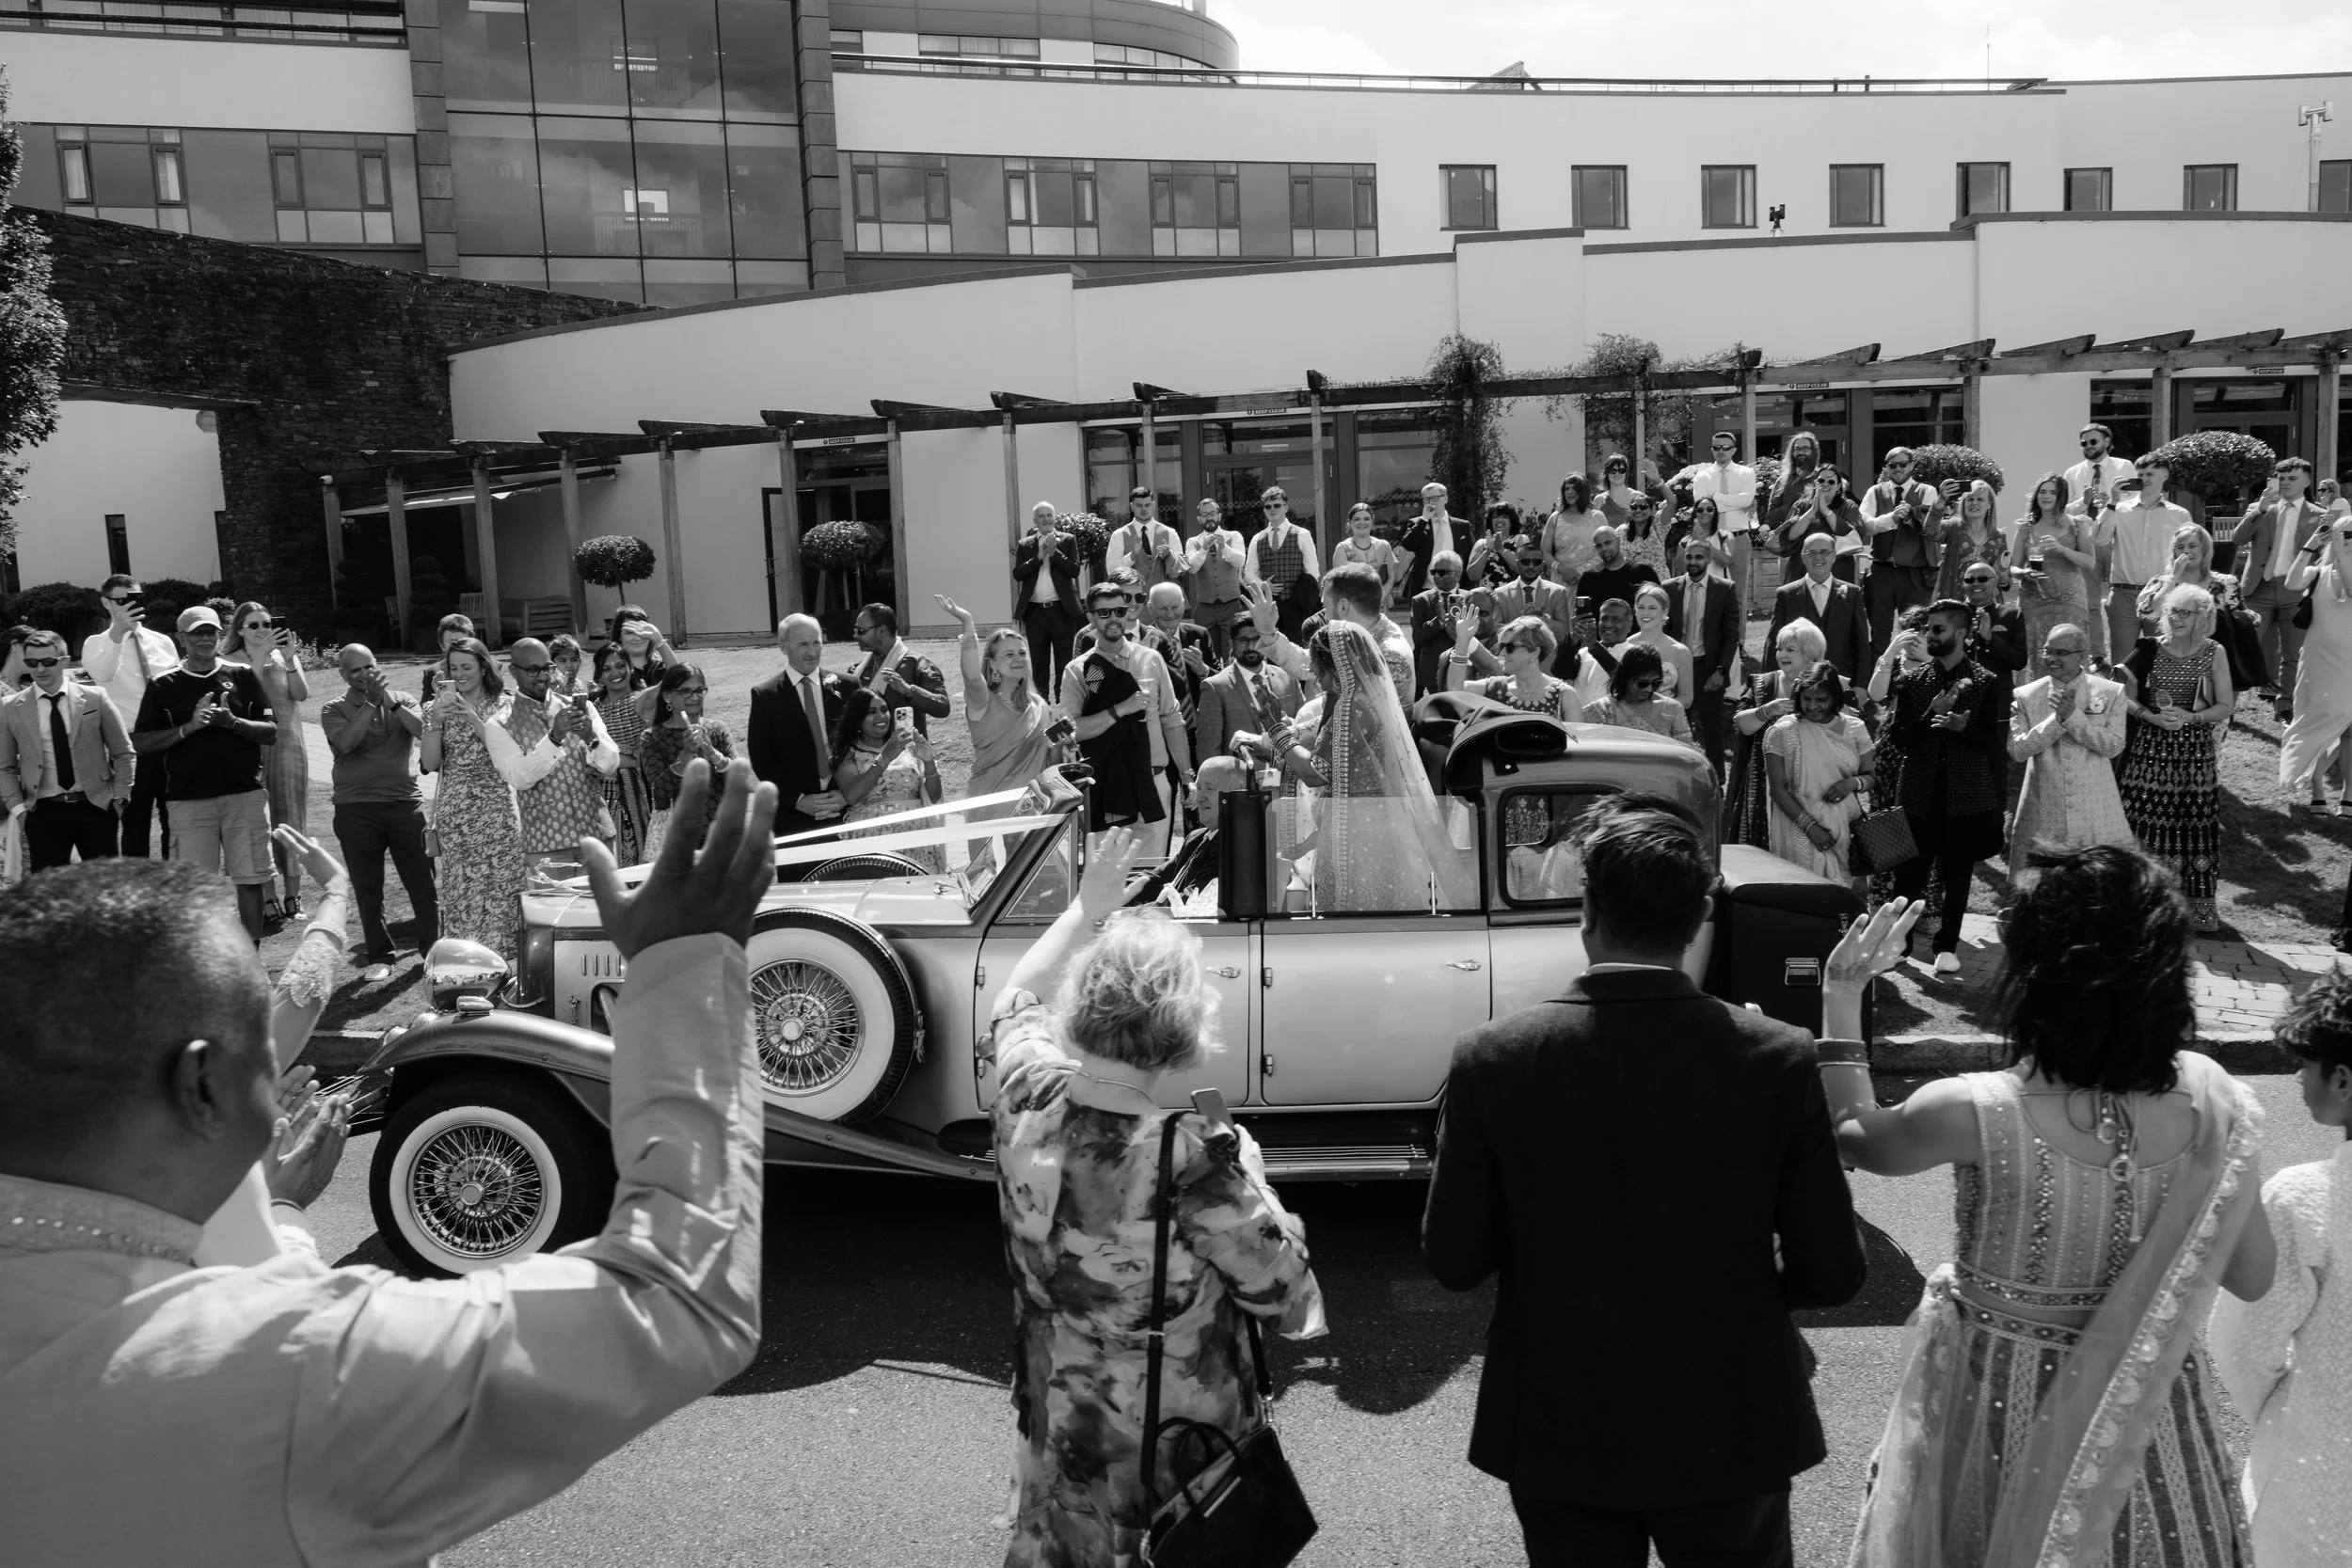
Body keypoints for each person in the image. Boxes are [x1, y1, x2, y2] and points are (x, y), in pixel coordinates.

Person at [0, 759, 779, 1567]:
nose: (280, 1079)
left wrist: (277, 1221)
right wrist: (687, 963)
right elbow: (682, 1298)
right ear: (202, 1086)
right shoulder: (288, 1375)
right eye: (261, 1058)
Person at [1423, 793, 1865, 1568]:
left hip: (1562, 1411)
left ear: (1586, 911)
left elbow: (1456, 1259)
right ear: (1700, 917)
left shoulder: (1494, 1057)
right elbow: (1830, 1269)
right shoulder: (1776, 1055)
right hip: (1733, 1408)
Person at [1825, 851, 2275, 1568]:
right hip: (2148, 1423)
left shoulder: (1975, 1109)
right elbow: (2254, 1276)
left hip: (1993, 1416)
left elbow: (1853, 1135)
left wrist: (1841, 992)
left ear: (2034, 976)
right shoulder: (2214, 1101)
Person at [985, 827, 1324, 1566]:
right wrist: (1254, 1174)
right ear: (1180, 1029)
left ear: (1081, 1003)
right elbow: (1292, 1303)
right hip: (1175, 1469)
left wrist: (1084, 909)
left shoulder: (1024, 1091)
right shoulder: (1192, 1158)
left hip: (1063, 1439)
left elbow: (1012, 999)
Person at [2209, 966, 2352, 1568]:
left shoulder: (2311, 1197)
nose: (2297, 1079)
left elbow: (2241, 1344)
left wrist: (2292, 1413)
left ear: (2342, 1078)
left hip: (2320, 1472)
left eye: (2305, 1064)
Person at [1238, 621, 1473, 911]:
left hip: (1359, 830)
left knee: (1359, 914)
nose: (1312, 672)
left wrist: (1275, 728)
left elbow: (1316, 773)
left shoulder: (1353, 707)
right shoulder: (1362, 701)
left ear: (1334, 665)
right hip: (1369, 822)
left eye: (1314, 664)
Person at [132, 606, 278, 942]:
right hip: (188, 801)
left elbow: (271, 732)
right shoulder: (162, 684)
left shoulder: (241, 675)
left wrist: (233, 722)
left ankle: (251, 961)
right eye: (196, 633)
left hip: (244, 795)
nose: (204, 639)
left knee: (250, 880)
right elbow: (141, 742)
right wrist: (189, 728)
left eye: (210, 631)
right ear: (180, 638)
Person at [1882, 600, 2003, 974]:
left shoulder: (1986, 682)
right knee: (1909, 875)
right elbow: (1900, 738)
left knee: (1957, 872)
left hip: (1964, 796)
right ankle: (1898, 946)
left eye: (1938, 629)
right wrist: (1929, 715)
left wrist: (1964, 729)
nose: (1929, 636)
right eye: (1928, 629)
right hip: (1918, 792)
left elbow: (1994, 743)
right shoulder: (1913, 681)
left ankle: (1946, 946)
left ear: (1962, 634)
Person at [2119, 584, 2235, 934]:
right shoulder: (2149, 648)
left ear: (2204, 617)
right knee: (2140, 823)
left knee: (2194, 827)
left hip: (2194, 756)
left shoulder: (2214, 651)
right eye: (2173, 611)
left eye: (2186, 612)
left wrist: (2190, 717)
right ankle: (2136, 904)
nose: (2177, 618)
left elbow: (2226, 706)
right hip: (2148, 753)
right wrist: (2148, 716)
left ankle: (2196, 910)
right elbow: (2123, 696)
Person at [319, 643, 437, 976]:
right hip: (355, 808)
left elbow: (423, 732)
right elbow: (346, 743)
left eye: (368, 666)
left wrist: (392, 703)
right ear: (342, 674)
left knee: (422, 883)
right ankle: (380, 956)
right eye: (354, 670)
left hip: (404, 803)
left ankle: (432, 949)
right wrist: (371, 703)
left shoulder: (401, 698)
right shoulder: (334, 707)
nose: (363, 675)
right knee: (368, 886)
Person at [1062, 582, 1194, 855]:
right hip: (1107, 786)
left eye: (1119, 610)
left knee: (1151, 878)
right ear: (1090, 618)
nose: (1113, 618)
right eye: (1104, 613)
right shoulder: (1077, 670)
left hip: (1154, 781)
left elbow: (1172, 719)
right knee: (1108, 880)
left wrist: (1186, 776)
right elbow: (1072, 731)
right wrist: (1120, 709)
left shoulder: (1151, 659)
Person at [418, 638, 525, 959]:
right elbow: (431, 763)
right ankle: (466, 966)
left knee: (504, 888)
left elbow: (507, 755)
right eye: (453, 668)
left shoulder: (505, 705)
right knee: (462, 893)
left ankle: (508, 966)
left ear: (483, 667)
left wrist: (473, 718)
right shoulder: (433, 710)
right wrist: (435, 721)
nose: (460, 674)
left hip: (499, 812)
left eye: (467, 666)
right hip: (456, 814)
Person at [484, 637, 619, 879]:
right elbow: (520, 778)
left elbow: (610, 764)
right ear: (514, 671)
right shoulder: (499, 724)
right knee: (557, 917)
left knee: (602, 914)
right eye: (533, 670)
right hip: (547, 846)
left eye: (547, 668)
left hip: (596, 835)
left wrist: (589, 736)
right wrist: (554, 737)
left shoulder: (579, 707)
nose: (543, 676)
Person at [2007, 624, 2133, 882]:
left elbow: (2113, 746)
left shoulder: (2110, 692)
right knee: (2042, 891)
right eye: (2047, 651)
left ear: (2082, 656)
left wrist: (2074, 719)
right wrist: (2056, 721)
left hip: (2096, 810)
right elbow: (2018, 750)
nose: (2052, 658)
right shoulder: (2025, 695)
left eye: (2061, 652)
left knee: (2101, 889)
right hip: (2043, 809)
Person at [0, 628, 135, 869]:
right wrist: (20, 810)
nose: (40, 669)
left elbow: (124, 752)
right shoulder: (10, 707)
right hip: (43, 812)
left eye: (48, 662)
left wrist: (120, 798)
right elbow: (4, 766)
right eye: (32, 662)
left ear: (64, 661)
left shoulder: (95, 698)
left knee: (103, 891)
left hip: (96, 807)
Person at [82, 573, 179, 859]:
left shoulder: (162, 642)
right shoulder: (96, 643)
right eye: (121, 600)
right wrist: (117, 634)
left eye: (134, 599)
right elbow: (103, 673)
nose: (128, 606)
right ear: (106, 603)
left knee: (174, 818)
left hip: (168, 740)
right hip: (129, 746)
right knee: (134, 823)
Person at [227, 602, 312, 921]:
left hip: (288, 743)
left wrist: (290, 661)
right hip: (250, 747)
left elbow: (301, 695)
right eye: (254, 625)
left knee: (291, 821)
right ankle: (267, 897)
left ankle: (294, 895)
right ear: (239, 630)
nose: (263, 629)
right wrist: (261, 654)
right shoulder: (230, 662)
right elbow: (247, 692)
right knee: (256, 825)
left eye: (267, 622)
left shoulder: (282, 655)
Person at [937, 594, 1060, 808]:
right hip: (990, 811)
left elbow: (1052, 763)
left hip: (1034, 812)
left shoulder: (1040, 706)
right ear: (992, 664)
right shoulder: (983, 702)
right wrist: (968, 624)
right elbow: (973, 677)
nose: (1019, 659)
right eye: (1009, 654)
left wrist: (1063, 741)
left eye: (1022, 653)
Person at [1763, 660, 1874, 882]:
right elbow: (1777, 789)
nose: (1813, 706)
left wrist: (1851, 784)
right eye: (1807, 699)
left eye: (1821, 699)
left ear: (1834, 697)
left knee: (1839, 903)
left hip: (1843, 827)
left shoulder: (1855, 728)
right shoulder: (1782, 731)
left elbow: (1870, 777)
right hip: (1797, 827)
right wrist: (1810, 827)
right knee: (1803, 897)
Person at [2277, 498, 2352, 808]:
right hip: (2316, 663)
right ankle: (2317, 790)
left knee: (2348, 730)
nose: (2345, 539)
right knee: (2315, 722)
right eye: (2342, 534)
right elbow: (2292, 581)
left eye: (2350, 535)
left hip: (2349, 665)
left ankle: (2348, 796)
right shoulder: (2318, 573)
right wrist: (2311, 545)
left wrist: (2339, 549)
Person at [747, 613, 849, 840]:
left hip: (846, 811)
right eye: (803, 644)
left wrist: (847, 793)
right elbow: (762, 759)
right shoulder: (766, 696)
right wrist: (798, 800)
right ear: (783, 647)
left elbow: (861, 743)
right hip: (793, 817)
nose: (812, 652)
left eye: (817, 643)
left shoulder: (847, 686)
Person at [830, 689, 944, 871]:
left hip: (915, 834)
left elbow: (934, 796)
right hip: (872, 836)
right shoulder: (849, 753)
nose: (881, 716)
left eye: (884, 709)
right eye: (872, 712)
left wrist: (928, 762)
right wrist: (885, 757)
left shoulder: (908, 747)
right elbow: (852, 796)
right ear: (857, 719)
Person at [1859, 447, 1946, 660]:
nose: (1897, 469)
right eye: (1892, 465)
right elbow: (1866, 525)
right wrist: (1892, 518)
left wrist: (1910, 517)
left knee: (1916, 630)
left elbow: (1931, 527)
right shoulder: (1875, 492)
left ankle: (1915, 678)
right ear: (1886, 467)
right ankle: (1880, 684)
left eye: (1902, 464)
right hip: (1881, 571)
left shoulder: (1927, 491)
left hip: (1914, 573)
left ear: (1912, 465)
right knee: (1879, 632)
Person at [2101, 457, 2192, 658]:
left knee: (2164, 660)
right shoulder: (2119, 510)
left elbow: (2189, 556)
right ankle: (2125, 691)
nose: (2144, 479)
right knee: (2123, 663)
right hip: (2124, 594)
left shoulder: (2180, 515)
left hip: (2163, 595)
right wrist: (2113, 500)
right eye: (2140, 475)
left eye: (2150, 474)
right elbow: (2098, 539)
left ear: (2165, 476)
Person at [639, 663, 736, 844]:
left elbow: (740, 780)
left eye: (700, 690)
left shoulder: (717, 729)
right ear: (667, 695)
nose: (695, 697)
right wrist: (685, 755)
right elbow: (659, 790)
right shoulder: (652, 737)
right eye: (685, 691)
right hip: (679, 840)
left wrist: (713, 754)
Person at [2010, 472, 2097, 667]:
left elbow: (2090, 562)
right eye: (2042, 492)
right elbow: (2013, 567)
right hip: (2033, 600)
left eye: (2053, 492)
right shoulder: (2025, 528)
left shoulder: (2077, 524)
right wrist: (2023, 573)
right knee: (2036, 654)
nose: (2046, 496)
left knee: (2070, 652)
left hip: (2070, 600)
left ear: (2062, 497)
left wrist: (2062, 549)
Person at [1768, 532, 1872, 682]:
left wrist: (1861, 685)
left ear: (1834, 556)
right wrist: (1774, 684)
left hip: (1841, 680)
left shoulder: (1852, 594)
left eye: (1824, 552)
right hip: (1797, 681)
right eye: (1811, 552)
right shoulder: (1786, 595)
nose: (1818, 557)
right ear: (1803, 557)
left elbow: (1862, 645)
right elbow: (1774, 644)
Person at [1193, 619, 1301, 762]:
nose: (1251, 646)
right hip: (1242, 780)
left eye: (1257, 639)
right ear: (1232, 644)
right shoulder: (1216, 687)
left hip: (1289, 774)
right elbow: (1209, 751)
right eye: (1244, 640)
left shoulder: (1288, 678)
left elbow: (1304, 725)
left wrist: (1290, 724)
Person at [590, 642, 655, 866]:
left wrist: (609, 759)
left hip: (633, 789)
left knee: (635, 855)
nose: (615, 673)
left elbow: (641, 757)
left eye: (620, 665)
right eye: (606, 668)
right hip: (597, 790)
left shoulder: (641, 700)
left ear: (630, 667)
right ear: (599, 674)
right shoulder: (593, 705)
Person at [1446, 612, 1577, 718]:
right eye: (1502, 645)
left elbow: (1578, 745)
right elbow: (1455, 692)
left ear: (1534, 652)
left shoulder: (1564, 694)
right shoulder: (1495, 688)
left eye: (1510, 647)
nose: (1502, 652)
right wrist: (1462, 641)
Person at [849, 601, 950, 737]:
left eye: (861, 631)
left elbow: (943, 707)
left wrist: (909, 691)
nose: (855, 636)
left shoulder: (917, 664)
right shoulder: (857, 670)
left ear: (882, 631)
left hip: (907, 753)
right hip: (867, 754)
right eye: (855, 630)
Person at [1012, 502, 1083, 692]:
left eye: (1049, 515)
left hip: (1062, 611)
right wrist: (1038, 558)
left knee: (1065, 662)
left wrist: (1055, 554)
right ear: (1035, 521)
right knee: (1038, 663)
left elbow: (1075, 570)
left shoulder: (1068, 540)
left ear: (1055, 517)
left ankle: (1064, 701)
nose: (1046, 519)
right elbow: (1018, 574)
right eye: (1041, 516)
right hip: (1035, 613)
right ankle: (1041, 703)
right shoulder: (1025, 544)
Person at [1408, 551, 1500, 698]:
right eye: (1434, 572)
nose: (1437, 576)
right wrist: (1438, 621)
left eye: (1442, 572)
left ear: (1457, 574)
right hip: (1433, 671)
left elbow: (1482, 631)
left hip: (1470, 667)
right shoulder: (1420, 600)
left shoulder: (1472, 598)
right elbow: (1417, 638)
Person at [1243, 485, 1324, 642]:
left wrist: (1301, 597)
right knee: (1272, 650)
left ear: (1286, 507)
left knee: (1298, 649)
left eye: (1277, 505)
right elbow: (1249, 572)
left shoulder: (1302, 534)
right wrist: (1263, 585)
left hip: (1297, 606)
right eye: (1268, 506)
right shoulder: (1257, 538)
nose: (1272, 509)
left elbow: (1313, 572)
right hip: (1268, 606)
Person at [2137, 521, 2243, 639]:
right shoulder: (2163, 583)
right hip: (2174, 650)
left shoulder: (2226, 584)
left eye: (2192, 546)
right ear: (2174, 553)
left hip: (2217, 651)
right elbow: (2149, 613)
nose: (2186, 551)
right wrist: (2173, 577)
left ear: (2204, 550)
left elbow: (2242, 621)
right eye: (2180, 547)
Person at [1582, 642, 1697, 750]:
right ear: (1626, 678)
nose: (1649, 689)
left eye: (1655, 683)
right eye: (1642, 683)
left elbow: (1686, 753)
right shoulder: (1604, 710)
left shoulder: (1673, 708)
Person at [1688, 431, 1759, 598]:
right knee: (1710, 595)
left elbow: (1747, 500)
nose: (1721, 451)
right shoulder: (1702, 477)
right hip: (1712, 540)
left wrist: (1717, 498)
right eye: (1717, 447)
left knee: (1738, 596)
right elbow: (1703, 509)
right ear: (1712, 450)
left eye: (1726, 447)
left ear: (1734, 450)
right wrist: (1737, 503)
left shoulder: (1746, 473)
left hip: (1740, 538)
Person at [1489, 538, 1577, 672]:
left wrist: (1541, 617)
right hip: (1513, 664)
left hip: (1548, 665)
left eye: (1536, 562)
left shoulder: (1558, 592)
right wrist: (1521, 622)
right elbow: (1497, 634)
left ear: (1543, 565)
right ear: (1517, 564)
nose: (1531, 566)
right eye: (1525, 562)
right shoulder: (1501, 593)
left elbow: (1563, 635)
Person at [1772, 460, 1865, 585]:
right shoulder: (1801, 505)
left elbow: (1854, 535)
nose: (1825, 484)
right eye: (1821, 480)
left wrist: (1825, 510)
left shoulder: (1848, 506)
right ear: (1815, 483)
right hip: (1802, 569)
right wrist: (1812, 511)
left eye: (1831, 481)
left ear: (1838, 486)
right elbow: (1790, 536)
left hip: (1838, 570)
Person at [1183, 499, 1250, 651]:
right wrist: (1204, 549)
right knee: (1207, 652)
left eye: (1212, 513)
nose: (1209, 518)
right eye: (1205, 514)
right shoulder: (1193, 542)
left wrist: (1224, 547)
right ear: (1199, 519)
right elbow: (1192, 568)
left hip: (1231, 606)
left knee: (1233, 651)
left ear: (1219, 516)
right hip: (1205, 608)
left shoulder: (1233, 536)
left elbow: (1239, 561)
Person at [1931, 480, 2010, 604]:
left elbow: (2005, 582)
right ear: (1963, 503)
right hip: (1954, 599)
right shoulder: (1953, 527)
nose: (1974, 503)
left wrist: (2002, 575)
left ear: (1989, 504)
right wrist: (1940, 500)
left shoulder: (1998, 536)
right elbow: (1930, 532)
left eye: (1980, 499)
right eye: (1970, 499)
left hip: (1987, 601)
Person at [1104, 483, 1187, 597]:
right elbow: (1112, 572)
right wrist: (1132, 556)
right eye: (1139, 505)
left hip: (1165, 599)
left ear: (1153, 506)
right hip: (1133, 600)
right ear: (1132, 506)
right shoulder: (1119, 535)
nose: (1144, 509)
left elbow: (1181, 569)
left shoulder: (1170, 533)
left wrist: (1169, 556)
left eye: (1147, 505)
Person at [1620, 581, 1694, 705]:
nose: (1645, 613)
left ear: (1665, 611)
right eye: (1641, 607)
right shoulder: (1625, 646)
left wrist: (1657, 711)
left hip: (1666, 718)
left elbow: (1687, 698)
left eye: (1652, 608)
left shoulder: (1680, 651)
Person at [1574, 524, 1659, 623]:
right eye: (1599, 545)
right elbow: (1584, 618)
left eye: (1607, 543)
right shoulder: (1589, 578)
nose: (1604, 548)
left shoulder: (1642, 572)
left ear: (1618, 541)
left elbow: (1658, 609)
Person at [1397, 480, 1459, 601]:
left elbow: (1466, 557)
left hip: (1454, 589)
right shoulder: (1417, 523)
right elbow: (1408, 545)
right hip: (1424, 589)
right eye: (1426, 500)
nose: (1431, 503)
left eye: (1435, 499)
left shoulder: (1461, 526)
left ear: (1445, 499)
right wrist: (1424, 518)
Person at [1541, 472, 1603, 584]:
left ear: (1583, 491)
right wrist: (1563, 570)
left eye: (1575, 488)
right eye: (1567, 489)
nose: (1570, 492)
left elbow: (1605, 549)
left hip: (1591, 579)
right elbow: (1545, 552)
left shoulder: (1597, 517)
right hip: (1562, 580)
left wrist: (1579, 572)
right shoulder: (1555, 518)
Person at [1330, 500, 1396, 598]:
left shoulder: (1384, 546)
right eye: (1357, 519)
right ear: (1350, 522)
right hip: (1353, 605)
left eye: (1366, 519)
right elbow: (1340, 584)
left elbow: (1392, 576)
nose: (1362, 523)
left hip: (1380, 603)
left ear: (1372, 521)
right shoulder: (1342, 548)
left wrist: (1379, 599)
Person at [1663, 492, 1733, 582]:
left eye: (1709, 509)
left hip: (1718, 590)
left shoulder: (1725, 536)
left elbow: (1727, 561)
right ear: (1695, 513)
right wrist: (1691, 546)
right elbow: (1680, 567)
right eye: (1700, 510)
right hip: (1692, 589)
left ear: (1715, 512)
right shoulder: (1685, 541)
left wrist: (1705, 544)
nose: (1705, 512)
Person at [415, 611, 478, 706]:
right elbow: (425, 711)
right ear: (442, 645)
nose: (457, 645)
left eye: (462, 640)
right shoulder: (434, 673)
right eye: (451, 641)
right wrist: (438, 694)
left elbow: (503, 703)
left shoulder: (488, 666)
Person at [545, 632, 587, 697]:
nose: (569, 665)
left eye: (574, 660)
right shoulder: (551, 687)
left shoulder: (578, 684)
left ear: (580, 661)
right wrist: (562, 689)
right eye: (563, 661)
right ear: (553, 664)